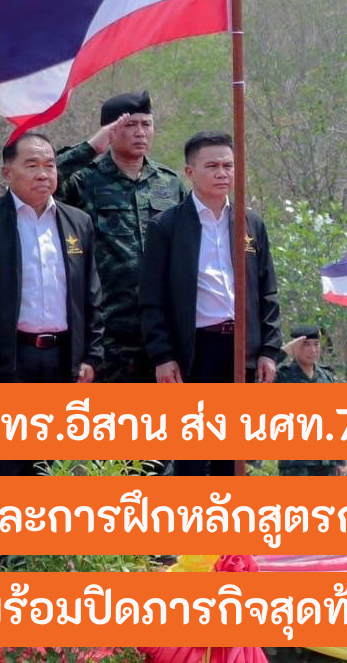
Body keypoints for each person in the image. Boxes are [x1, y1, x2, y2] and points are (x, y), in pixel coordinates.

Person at [0, 132, 104, 481]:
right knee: (11, 468)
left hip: (64, 361)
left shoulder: (78, 222)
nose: (43, 174)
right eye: (31, 165)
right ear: (8, 172)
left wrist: (92, 357)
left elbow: (91, 296)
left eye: (50, 165)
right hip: (10, 362)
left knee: (61, 468)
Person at [140, 131, 283, 477]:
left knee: (232, 458)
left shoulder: (250, 222)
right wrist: (162, 356)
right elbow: (151, 299)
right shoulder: (167, 226)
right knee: (191, 455)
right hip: (195, 352)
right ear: (190, 172)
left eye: (228, 166)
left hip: (241, 351)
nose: (222, 173)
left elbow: (267, 291)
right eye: (212, 166)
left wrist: (268, 350)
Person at [55, 91, 188, 385]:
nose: (141, 132)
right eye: (130, 125)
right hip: (107, 330)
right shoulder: (84, 179)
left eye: (146, 124)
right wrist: (91, 147)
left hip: (163, 330)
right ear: (110, 131)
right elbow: (43, 181)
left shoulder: (169, 183)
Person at [276, 326, 346, 477]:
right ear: (295, 347)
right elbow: (259, 377)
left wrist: (339, 461)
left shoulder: (326, 376)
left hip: (326, 462)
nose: (313, 350)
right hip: (296, 463)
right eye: (306, 345)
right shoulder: (282, 376)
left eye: (316, 344)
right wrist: (284, 352)